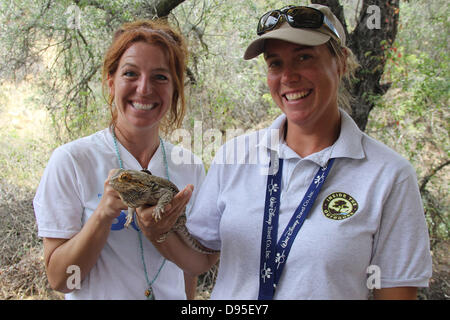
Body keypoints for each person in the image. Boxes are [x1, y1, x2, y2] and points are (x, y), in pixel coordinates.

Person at [140, 4, 433, 300]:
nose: (288, 77)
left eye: (304, 57)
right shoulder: (235, 156)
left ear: (341, 62)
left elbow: (395, 292)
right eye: (275, 63)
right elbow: (200, 259)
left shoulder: (388, 175)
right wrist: (156, 233)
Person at [33, 20, 205, 299]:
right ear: (111, 83)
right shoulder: (72, 161)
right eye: (130, 74)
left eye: (161, 77)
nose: (144, 88)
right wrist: (103, 215)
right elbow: (60, 279)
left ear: (175, 89)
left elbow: (190, 267)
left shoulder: (190, 166)